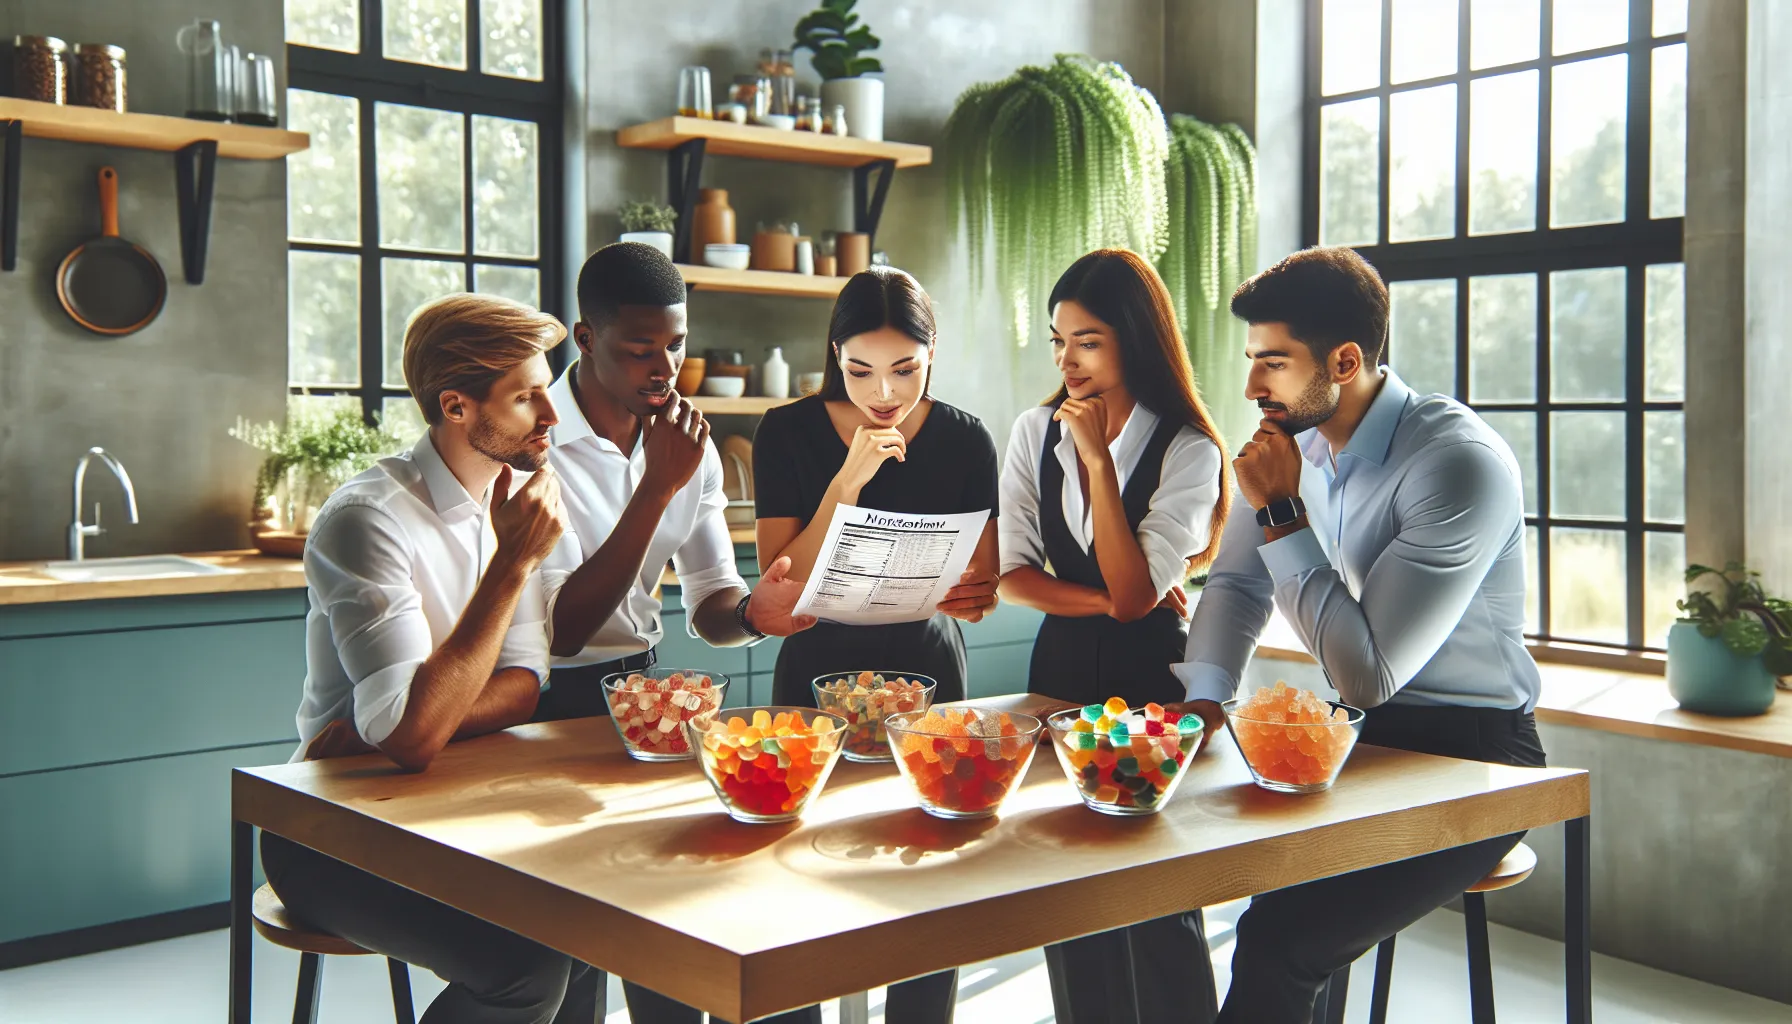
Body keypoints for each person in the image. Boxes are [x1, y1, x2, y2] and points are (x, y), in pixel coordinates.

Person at [1166, 246, 1547, 1024]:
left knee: (1280, 942)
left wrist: (1280, 513)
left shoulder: (1456, 465)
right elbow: (1236, 581)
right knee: (1209, 883)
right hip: (1357, 741)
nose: (1250, 387)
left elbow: (1368, 674)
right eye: (1251, 361)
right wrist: (1206, 699)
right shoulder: (1291, 446)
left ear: (1344, 360)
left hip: (1477, 758)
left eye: (1272, 363)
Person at [263, 293, 602, 1024]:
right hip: (329, 830)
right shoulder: (368, 519)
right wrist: (511, 566)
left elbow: (519, 689)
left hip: (454, 808)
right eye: (526, 398)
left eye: (548, 390)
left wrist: (410, 722)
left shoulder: (518, 502)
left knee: (596, 923)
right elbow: (413, 737)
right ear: (456, 406)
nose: (552, 416)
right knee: (525, 967)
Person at [532, 241, 816, 1024]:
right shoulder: (533, 440)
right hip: (543, 706)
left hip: (650, 697)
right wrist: (657, 485)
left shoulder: (690, 442)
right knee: (573, 944)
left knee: (675, 917)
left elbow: (709, 604)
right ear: (586, 340)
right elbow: (560, 632)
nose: (664, 369)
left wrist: (756, 615)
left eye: (677, 345)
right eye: (639, 349)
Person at [749, 266, 1003, 1024]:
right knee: (793, 867)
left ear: (933, 354)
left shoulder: (963, 437)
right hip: (813, 660)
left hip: (928, 663)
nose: (883, 392)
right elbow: (779, 584)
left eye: (905, 370)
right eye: (859, 370)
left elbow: (982, 582)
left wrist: (980, 593)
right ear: (835, 353)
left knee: (926, 867)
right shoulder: (788, 431)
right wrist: (847, 482)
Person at [995, 248, 1229, 1024]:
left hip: (1151, 687)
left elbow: (1136, 600)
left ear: (1135, 337)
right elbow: (1013, 576)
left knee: (1160, 892)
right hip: (1058, 671)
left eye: (1087, 340)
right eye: (1059, 341)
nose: (1067, 360)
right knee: (1065, 885)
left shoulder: (1189, 449)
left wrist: (1095, 459)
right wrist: (1105, 600)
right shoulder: (1033, 432)